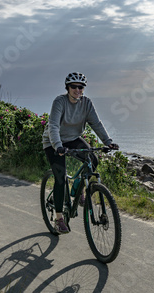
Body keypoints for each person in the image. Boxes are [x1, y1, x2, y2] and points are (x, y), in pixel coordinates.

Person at [42, 72, 119, 234]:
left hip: (73, 138)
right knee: (61, 178)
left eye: (81, 87)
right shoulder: (59, 102)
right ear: (67, 88)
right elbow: (54, 126)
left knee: (93, 159)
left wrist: (108, 142)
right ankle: (59, 219)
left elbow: (96, 124)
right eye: (74, 87)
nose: (77, 89)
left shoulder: (87, 103)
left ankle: (78, 189)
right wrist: (57, 146)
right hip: (53, 142)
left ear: (84, 89)